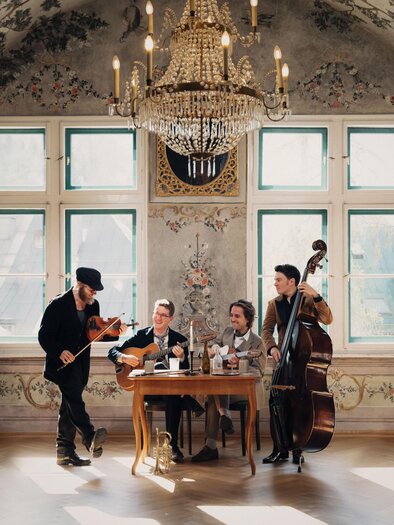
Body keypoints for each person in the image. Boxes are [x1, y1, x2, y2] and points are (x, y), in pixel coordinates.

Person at [38, 267, 127, 466]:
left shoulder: (92, 306)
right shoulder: (58, 305)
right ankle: (89, 437)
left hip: (80, 364)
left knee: (68, 405)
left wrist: (116, 333)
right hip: (61, 364)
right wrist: (60, 351)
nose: (94, 293)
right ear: (79, 285)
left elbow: (93, 335)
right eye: (91, 289)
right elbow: (44, 336)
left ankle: (64, 451)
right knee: (74, 400)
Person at [108, 299, 201, 463]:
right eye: (156, 313)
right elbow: (112, 351)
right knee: (166, 379)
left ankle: (172, 446)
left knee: (171, 392)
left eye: (163, 315)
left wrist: (182, 357)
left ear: (170, 319)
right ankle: (188, 401)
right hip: (147, 390)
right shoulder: (141, 336)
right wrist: (123, 357)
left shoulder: (179, 339)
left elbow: (186, 372)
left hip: (169, 391)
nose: (158, 318)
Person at [261, 264, 333, 465]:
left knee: (299, 405)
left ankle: (298, 446)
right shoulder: (274, 304)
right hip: (283, 361)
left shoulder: (308, 300)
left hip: (302, 364)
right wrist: (272, 347)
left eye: (278, 280)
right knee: (277, 403)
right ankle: (279, 449)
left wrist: (317, 295)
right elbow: (266, 330)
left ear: (291, 282)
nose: (275, 283)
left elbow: (328, 319)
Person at [192, 299, 266, 462]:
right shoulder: (227, 332)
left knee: (215, 392)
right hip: (225, 389)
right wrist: (212, 350)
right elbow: (216, 347)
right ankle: (214, 440)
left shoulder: (257, 342)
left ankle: (214, 437)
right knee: (214, 393)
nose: (232, 319)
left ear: (248, 319)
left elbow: (259, 371)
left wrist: (240, 364)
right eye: (231, 315)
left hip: (246, 392)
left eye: (237, 316)